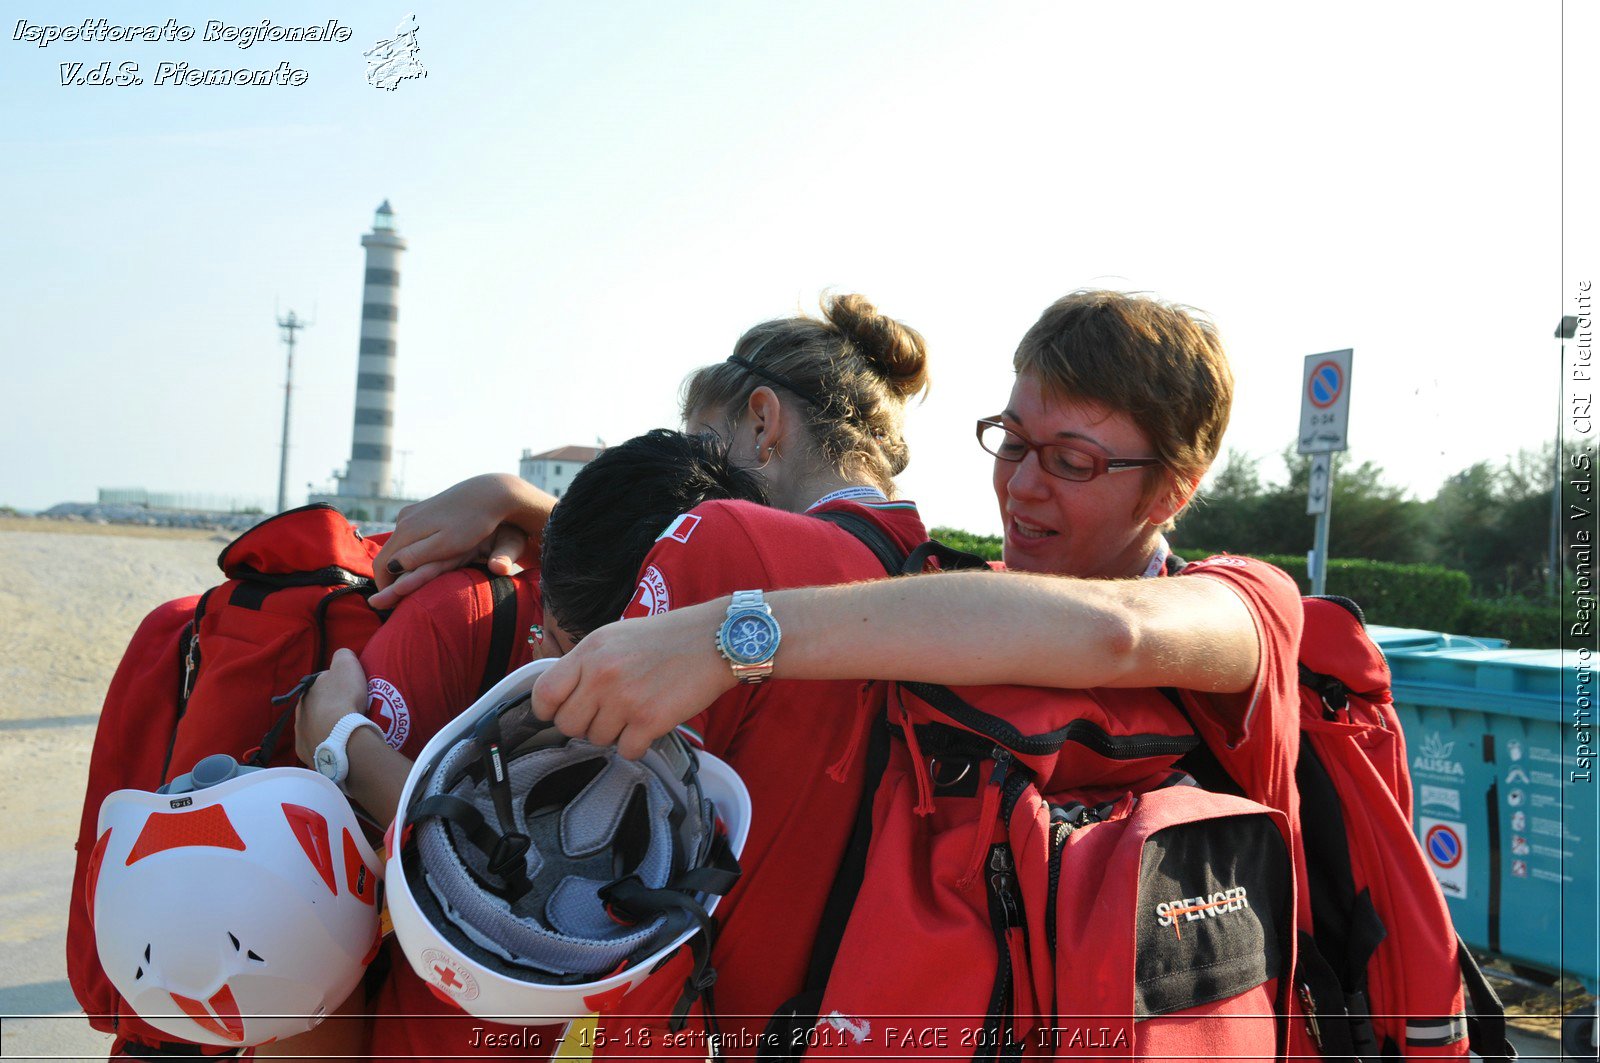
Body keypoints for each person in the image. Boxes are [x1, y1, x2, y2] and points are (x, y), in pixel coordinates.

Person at [274, 430, 768, 1063]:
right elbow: (319, 922)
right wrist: (514, 503)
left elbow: (523, 897)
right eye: (557, 646)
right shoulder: (463, 620)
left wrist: (349, 751)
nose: (569, 690)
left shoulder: (764, 652)